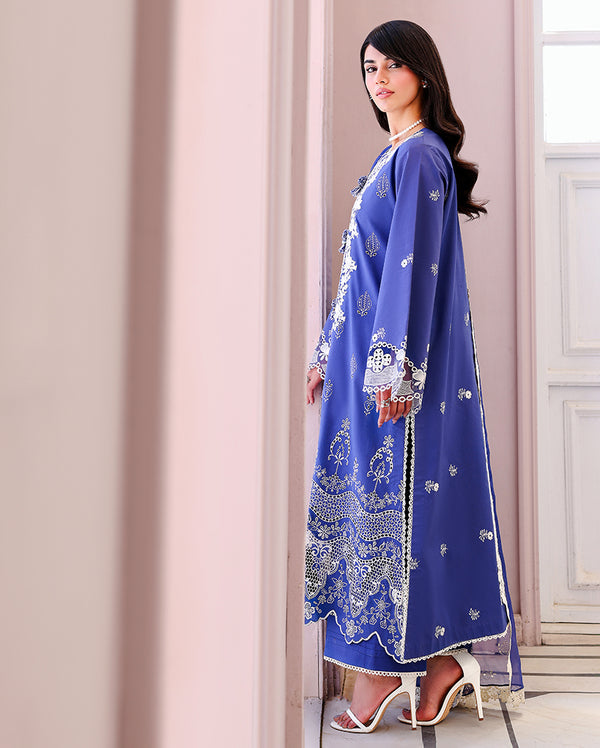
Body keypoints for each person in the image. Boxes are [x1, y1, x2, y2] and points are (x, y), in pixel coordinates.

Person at [304, 20, 524, 735]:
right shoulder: (394, 155)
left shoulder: (422, 156)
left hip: (390, 377)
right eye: (369, 67)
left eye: (392, 64)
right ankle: (437, 664)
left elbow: (410, 273)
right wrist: (326, 352)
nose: (379, 78)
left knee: (391, 509)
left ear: (422, 72)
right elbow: (361, 269)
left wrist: (394, 371)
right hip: (361, 369)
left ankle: (381, 674)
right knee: (377, 509)